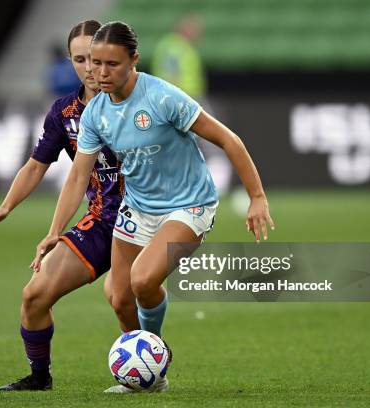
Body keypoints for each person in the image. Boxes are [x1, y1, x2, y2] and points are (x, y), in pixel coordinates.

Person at [31, 21, 275, 393]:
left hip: (188, 204)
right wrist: (53, 232)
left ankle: (154, 356)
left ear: (134, 61)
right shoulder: (96, 114)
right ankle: (144, 374)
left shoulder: (163, 98)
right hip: (139, 206)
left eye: (112, 64)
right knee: (117, 296)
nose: (100, 73)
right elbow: (78, 177)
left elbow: (230, 140)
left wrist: (257, 197)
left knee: (143, 279)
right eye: (95, 64)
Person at [0, 20, 125, 392]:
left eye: (96, 57)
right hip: (103, 221)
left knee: (124, 296)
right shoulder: (65, 112)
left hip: (148, 218)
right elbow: (38, 165)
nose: (90, 67)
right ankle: (40, 378)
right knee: (34, 295)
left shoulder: (136, 101)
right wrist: (8, 206)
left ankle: (148, 372)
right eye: (79, 59)